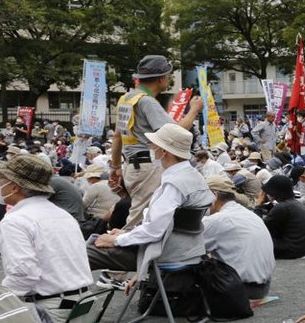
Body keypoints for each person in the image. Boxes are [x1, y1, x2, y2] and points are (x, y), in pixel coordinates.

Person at [88, 124, 215, 289]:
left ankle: (62, 305)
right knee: (96, 242)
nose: (151, 148)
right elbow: (166, 225)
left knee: (86, 251)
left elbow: (154, 231)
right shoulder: (194, 176)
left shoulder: (174, 183)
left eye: (154, 145)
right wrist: (128, 233)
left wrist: (117, 239)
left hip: (164, 251)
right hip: (187, 249)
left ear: (164, 152)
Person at [0, 155, 94, 323]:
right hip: (86, 305)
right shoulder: (62, 214)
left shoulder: (15, 221)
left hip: (51, 310)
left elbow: (24, 275)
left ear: (15, 187)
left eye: (0, 178)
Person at [109, 55, 204, 229]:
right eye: (168, 76)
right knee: (140, 222)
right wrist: (194, 110)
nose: (168, 79)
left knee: (145, 217)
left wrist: (115, 167)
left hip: (132, 166)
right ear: (161, 79)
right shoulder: (147, 102)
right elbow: (175, 133)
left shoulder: (126, 99)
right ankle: (119, 249)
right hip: (148, 166)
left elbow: (117, 137)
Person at [203, 175, 275, 299]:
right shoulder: (248, 214)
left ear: (214, 195)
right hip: (263, 287)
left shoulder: (218, 219)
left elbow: (189, 250)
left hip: (237, 288)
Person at [260, 175, 305, 259]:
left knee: (252, 239)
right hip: (302, 249)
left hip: (290, 250)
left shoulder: (282, 207)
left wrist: (258, 205)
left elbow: (261, 228)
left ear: (274, 193)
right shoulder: (294, 203)